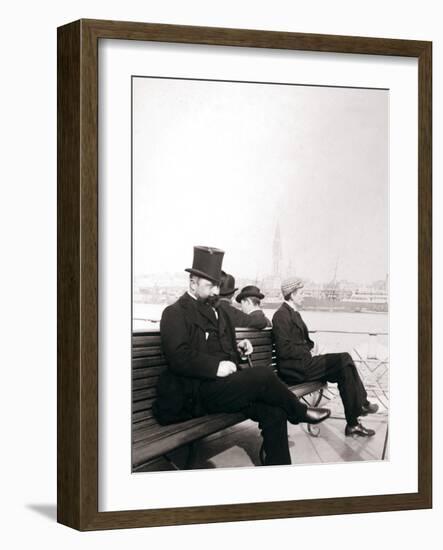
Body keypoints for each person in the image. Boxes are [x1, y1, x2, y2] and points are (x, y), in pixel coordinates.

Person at [153, 246, 331, 466]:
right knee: (263, 375)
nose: (216, 292)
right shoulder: (174, 313)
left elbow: (215, 345)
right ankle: (300, 412)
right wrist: (215, 367)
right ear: (192, 283)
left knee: (274, 410)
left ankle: (281, 470)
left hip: (221, 389)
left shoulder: (217, 310)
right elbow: (178, 356)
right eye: (210, 286)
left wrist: (238, 347)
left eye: (217, 286)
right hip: (195, 394)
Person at [272, 277, 379, 437]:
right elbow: (283, 350)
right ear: (292, 295)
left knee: (345, 370)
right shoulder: (281, 316)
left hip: (303, 364)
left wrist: (310, 349)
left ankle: (353, 424)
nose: (304, 295)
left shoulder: (292, 313)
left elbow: (305, 342)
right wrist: (307, 352)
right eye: (301, 292)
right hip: (295, 369)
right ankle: (362, 404)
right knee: (344, 358)